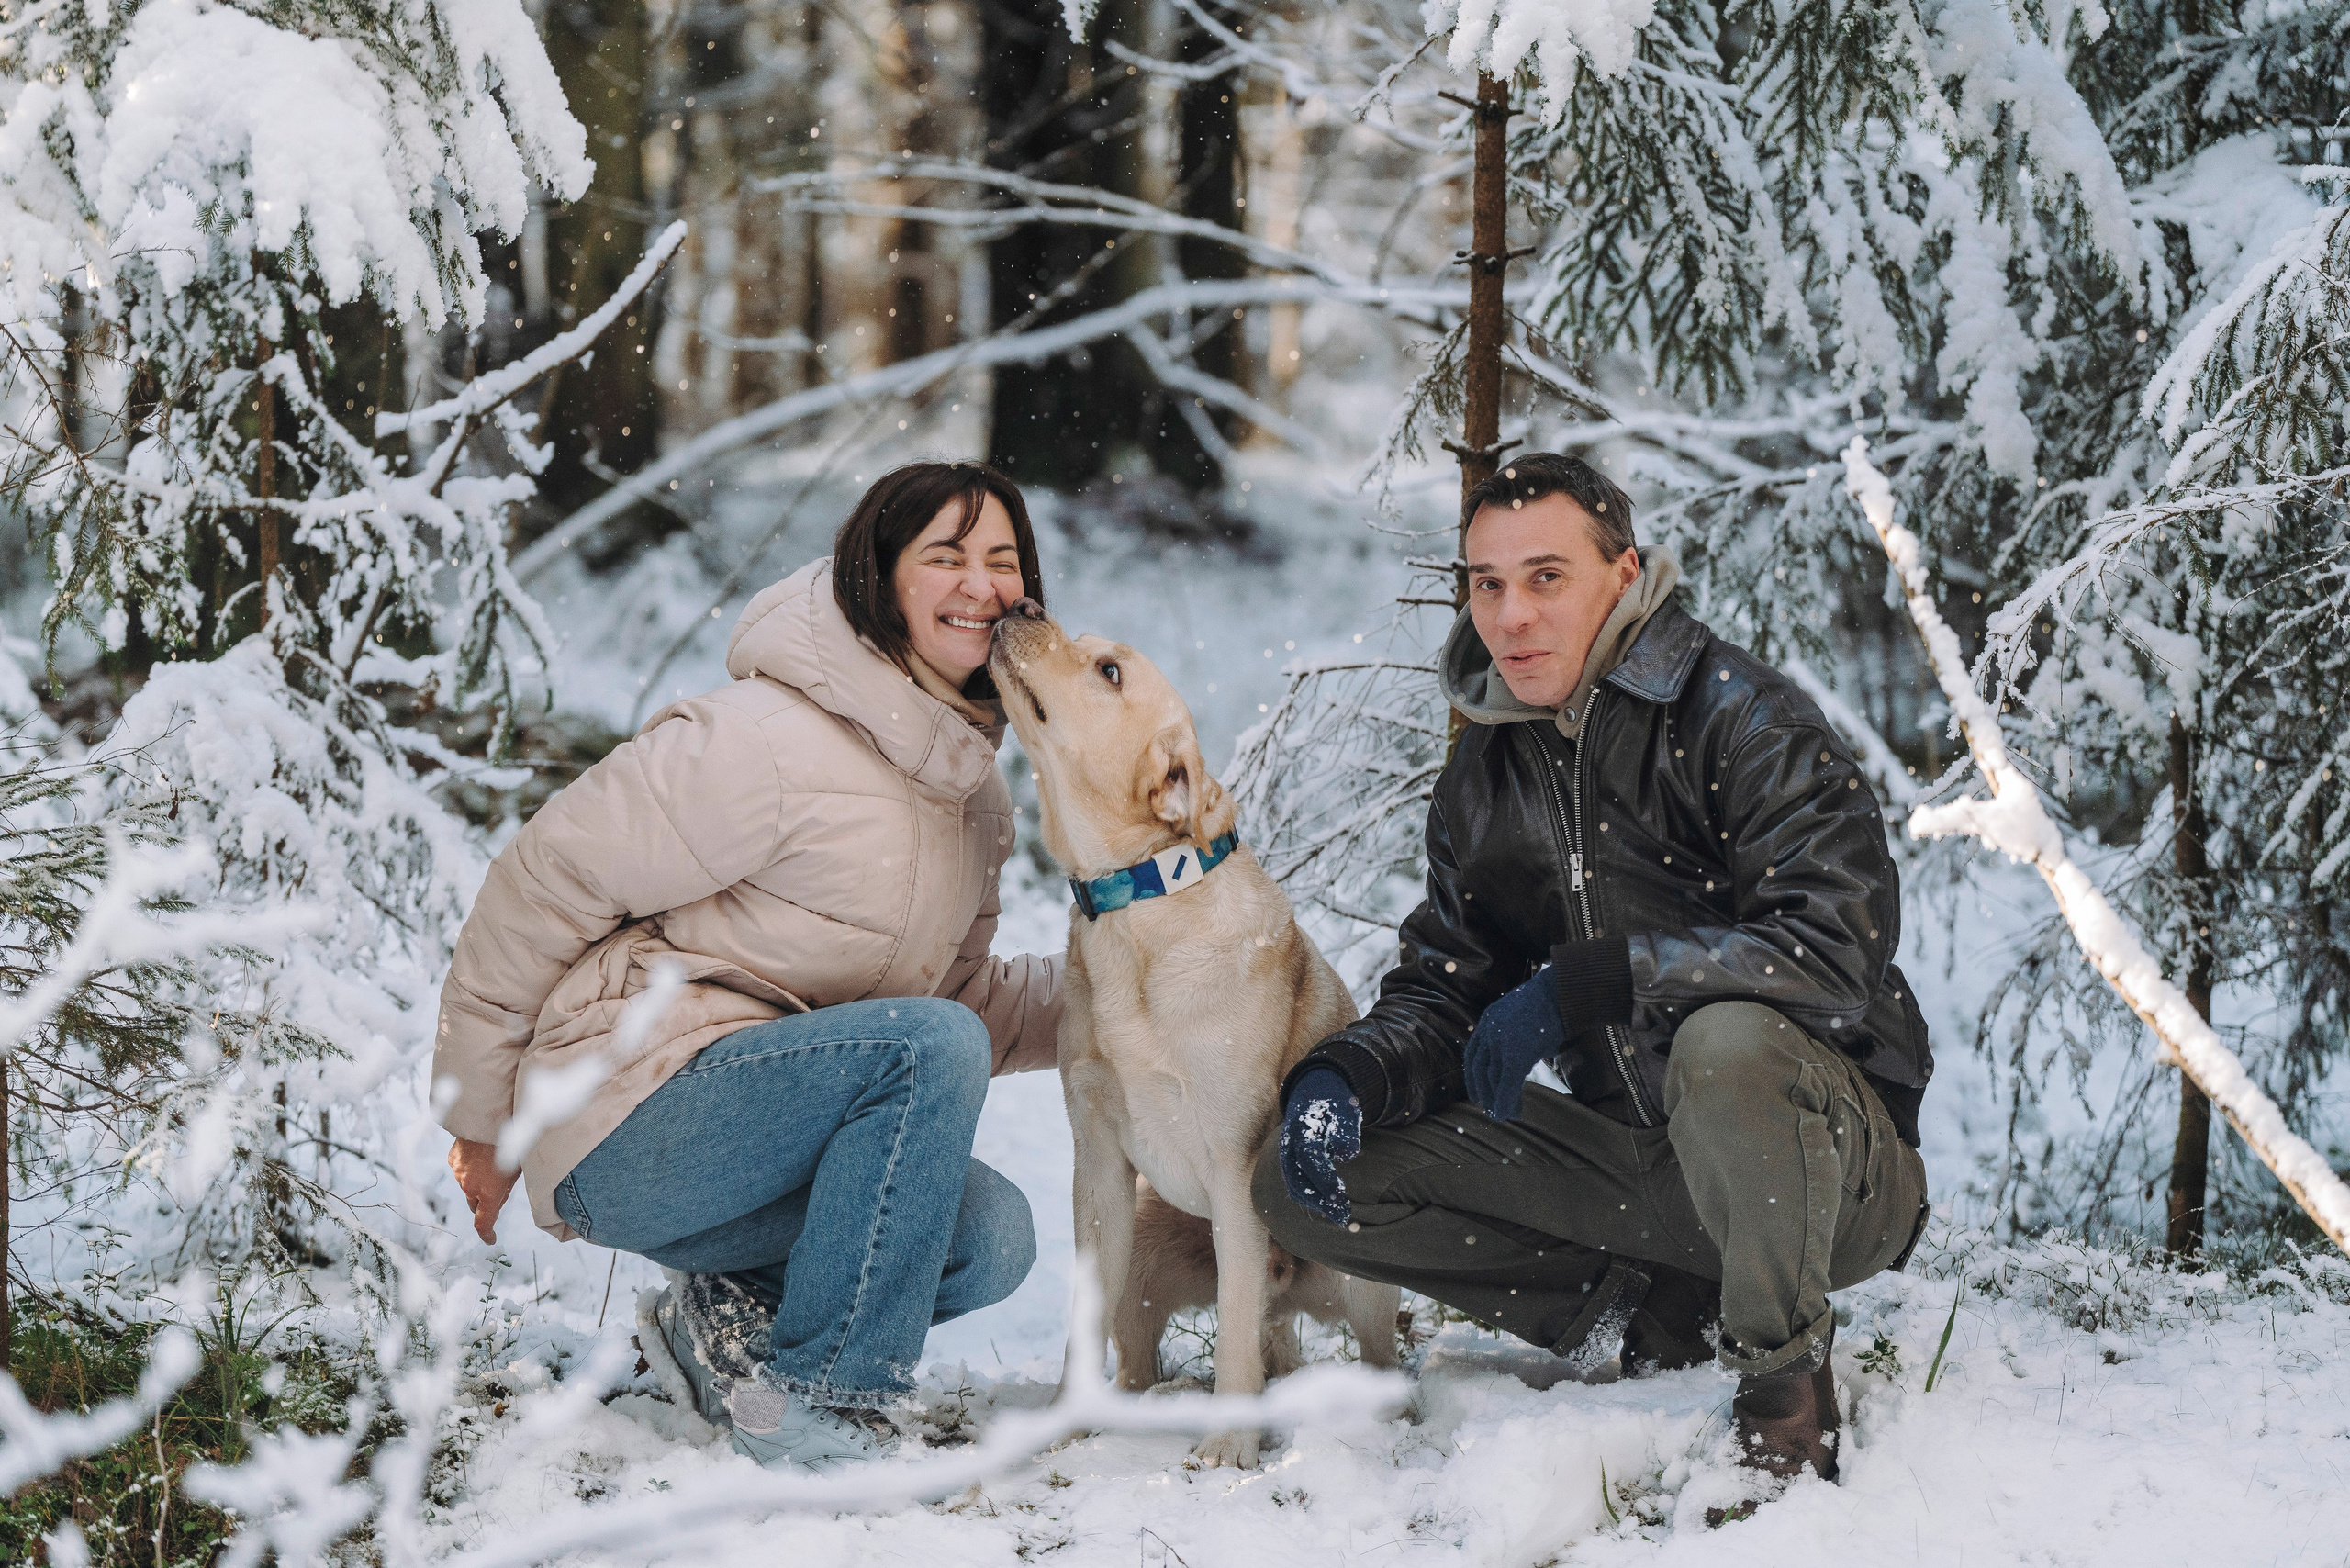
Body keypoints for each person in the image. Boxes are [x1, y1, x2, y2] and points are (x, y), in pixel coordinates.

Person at [1255, 453, 1932, 1488]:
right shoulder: (1486, 769)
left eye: (1545, 577)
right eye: (1486, 583)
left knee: (1724, 1038)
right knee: (1300, 1185)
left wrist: (1609, 976)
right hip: (1637, 1167)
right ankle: (1648, 1303)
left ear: (1621, 576)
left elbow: (1834, 953)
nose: (1512, 615)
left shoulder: (1742, 717)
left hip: (1828, 1173)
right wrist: (1347, 1077)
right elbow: (1448, 984)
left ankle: (1784, 1402)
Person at [436, 462, 1060, 1473]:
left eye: (1002, 560)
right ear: (877, 578)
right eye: (943, 556)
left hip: (756, 1135)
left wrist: (1132, 987)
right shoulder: (761, 741)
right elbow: (540, 881)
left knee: (988, 1235)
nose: (980, 585)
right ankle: (818, 1402)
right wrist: (482, 1113)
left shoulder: (971, 799)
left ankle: (725, 1321)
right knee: (925, 1053)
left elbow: (954, 1008)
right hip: (627, 1112)